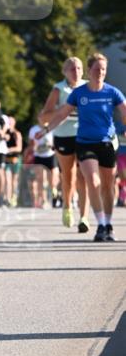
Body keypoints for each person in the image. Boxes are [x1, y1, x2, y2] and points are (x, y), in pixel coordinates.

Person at [45, 52, 126, 242]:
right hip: (85, 143)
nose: (100, 73)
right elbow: (62, 113)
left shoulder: (112, 92)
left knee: (107, 186)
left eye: (103, 69)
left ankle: (108, 223)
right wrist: (47, 129)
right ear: (89, 71)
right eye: (97, 69)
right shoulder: (79, 93)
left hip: (106, 142)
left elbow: (124, 111)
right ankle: (100, 225)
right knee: (92, 181)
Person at [38, 57, 89, 231]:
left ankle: (84, 217)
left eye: (79, 68)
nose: (76, 72)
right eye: (72, 69)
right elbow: (43, 116)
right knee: (69, 175)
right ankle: (67, 206)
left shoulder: (88, 87)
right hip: (63, 135)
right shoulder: (59, 89)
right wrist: (64, 110)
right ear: (65, 71)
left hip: (85, 135)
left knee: (85, 175)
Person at [27, 120, 60, 208]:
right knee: (40, 179)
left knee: (53, 180)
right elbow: (30, 144)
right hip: (39, 156)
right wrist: (34, 147)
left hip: (50, 155)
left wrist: (51, 145)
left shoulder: (52, 128)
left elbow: (56, 143)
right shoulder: (33, 129)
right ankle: (44, 200)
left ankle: (54, 194)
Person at [2, 116, 23, 206]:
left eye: (11, 122)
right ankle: (7, 198)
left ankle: (14, 197)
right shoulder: (4, 133)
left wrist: (8, 149)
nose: (9, 124)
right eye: (8, 122)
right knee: (7, 180)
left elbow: (19, 148)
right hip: (6, 159)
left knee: (14, 181)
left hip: (15, 159)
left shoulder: (16, 134)